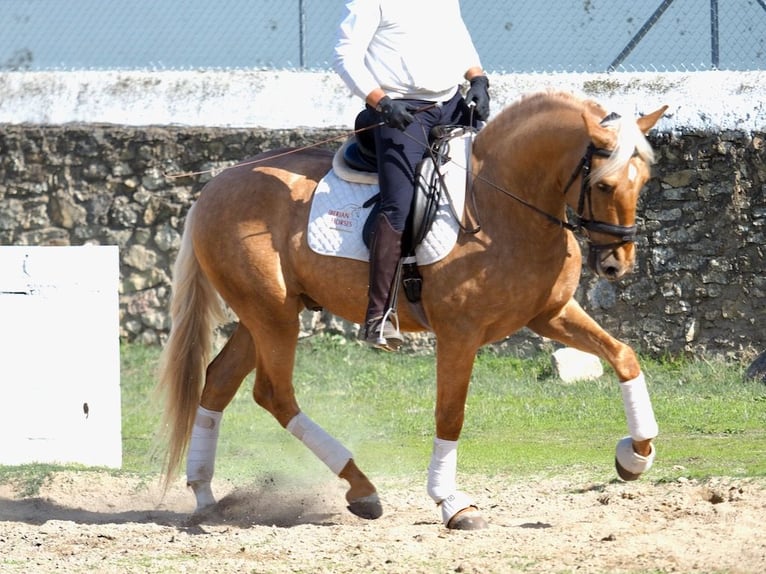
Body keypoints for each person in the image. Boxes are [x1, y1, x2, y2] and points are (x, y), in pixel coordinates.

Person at [334, 0, 490, 351]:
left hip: (450, 104)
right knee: (398, 207)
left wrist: (477, 78)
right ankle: (379, 316)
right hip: (401, 112)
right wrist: (382, 101)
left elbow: (458, 38)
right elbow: (344, 56)